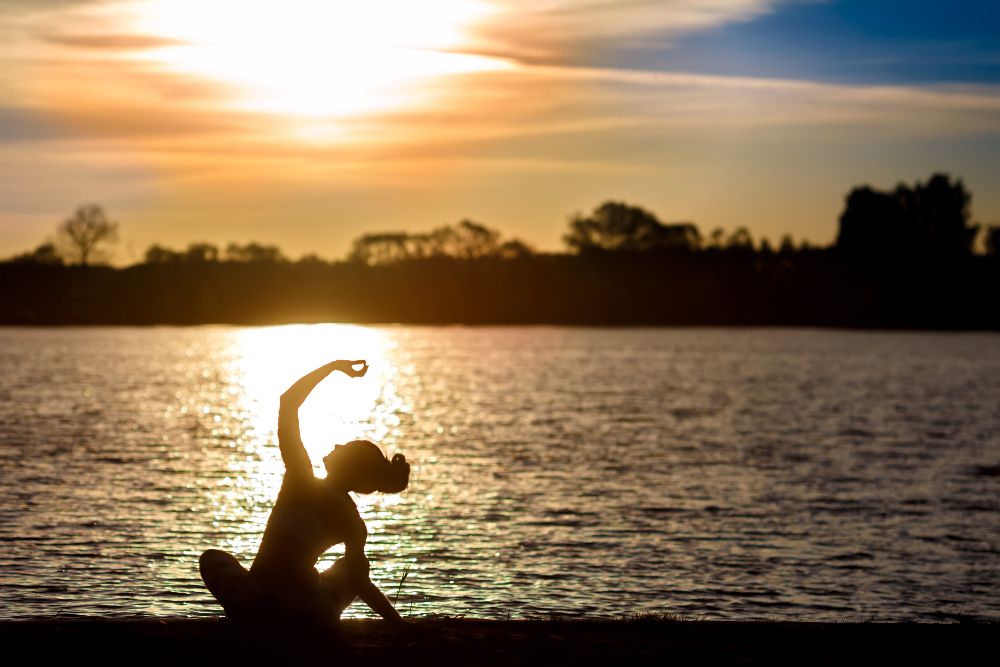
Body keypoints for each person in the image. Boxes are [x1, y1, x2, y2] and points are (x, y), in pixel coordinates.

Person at [199, 359, 410, 628]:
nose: (336, 444)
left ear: (350, 466)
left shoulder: (299, 477)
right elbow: (360, 583)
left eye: (345, 447)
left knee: (212, 558)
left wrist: (333, 367)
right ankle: (315, 617)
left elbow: (288, 402)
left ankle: (250, 616)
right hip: (308, 612)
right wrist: (401, 625)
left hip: (252, 604)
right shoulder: (353, 521)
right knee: (354, 567)